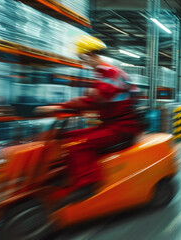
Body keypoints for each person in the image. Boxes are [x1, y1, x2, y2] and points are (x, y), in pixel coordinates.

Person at [36, 36, 143, 205]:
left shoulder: (110, 72)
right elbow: (93, 99)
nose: (83, 62)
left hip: (122, 128)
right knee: (67, 136)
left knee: (79, 143)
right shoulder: (103, 74)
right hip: (112, 124)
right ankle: (70, 175)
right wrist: (69, 106)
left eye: (83, 58)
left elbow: (95, 100)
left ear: (91, 55)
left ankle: (87, 185)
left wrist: (60, 107)